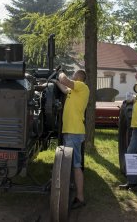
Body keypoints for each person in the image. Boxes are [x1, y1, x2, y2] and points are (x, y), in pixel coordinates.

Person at [53, 69, 90, 209]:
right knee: (72, 164)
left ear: (78, 77)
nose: (72, 78)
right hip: (70, 131)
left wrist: (60, 73)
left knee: (75, 165)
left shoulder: (81, 86)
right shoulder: (73, 91)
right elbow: (63, 88)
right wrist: (54, 81)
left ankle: (80, 198)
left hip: (74, 132)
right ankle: (71, 191)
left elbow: (64, 80)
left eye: (73, 75)